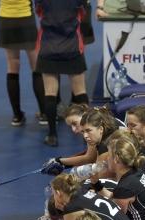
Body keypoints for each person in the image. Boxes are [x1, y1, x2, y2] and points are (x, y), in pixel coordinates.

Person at [35, 0, 90, 147]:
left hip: (48, 46)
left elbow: (39, 12)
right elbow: (83, 12)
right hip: (72, 46)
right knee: (80, 91)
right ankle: (88, 134)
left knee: (50, 93)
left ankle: (52, 135)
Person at [0, 0, 46, 126]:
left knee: (12, 66)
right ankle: (44, 113)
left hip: (5, 19)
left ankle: (17, 116)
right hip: (25, 18)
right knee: (36, 66)